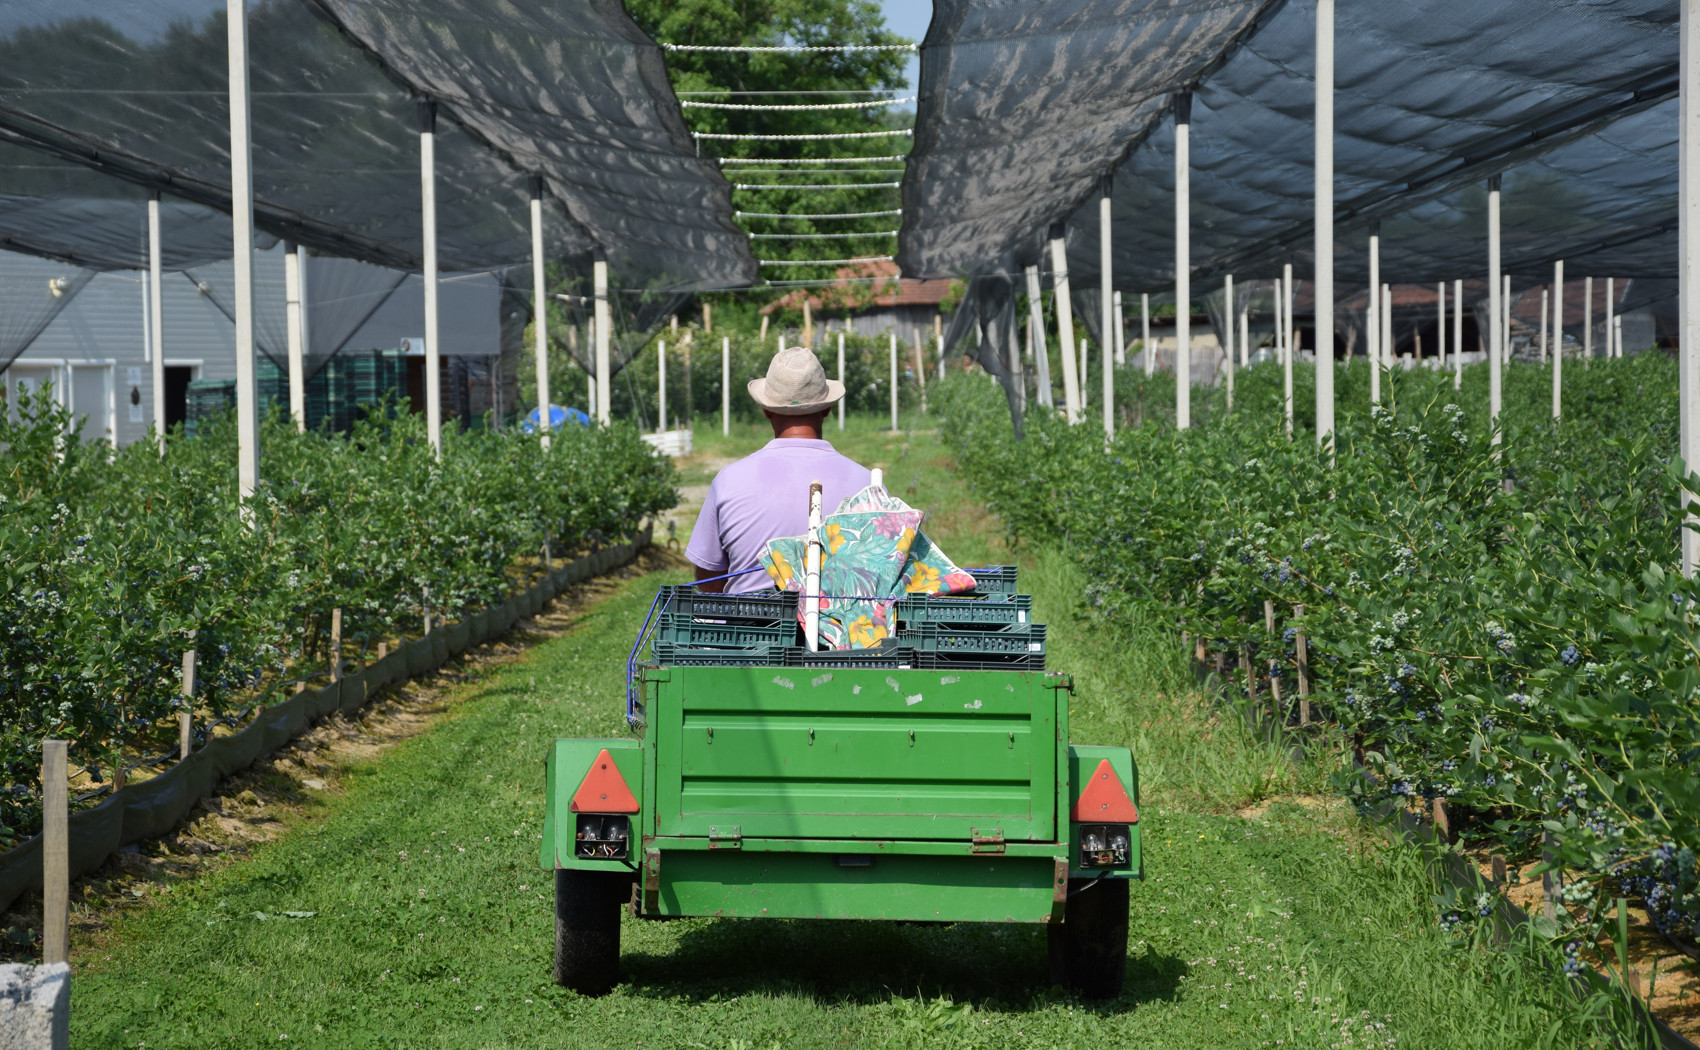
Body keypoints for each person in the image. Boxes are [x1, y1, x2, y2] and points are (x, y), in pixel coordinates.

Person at [686, 346, 873, 594]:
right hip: (842, 629)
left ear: (766, 410)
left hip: (746, 629)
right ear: (827, 408)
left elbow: (708, 578)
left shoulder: (729, 480)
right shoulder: (868, 484)